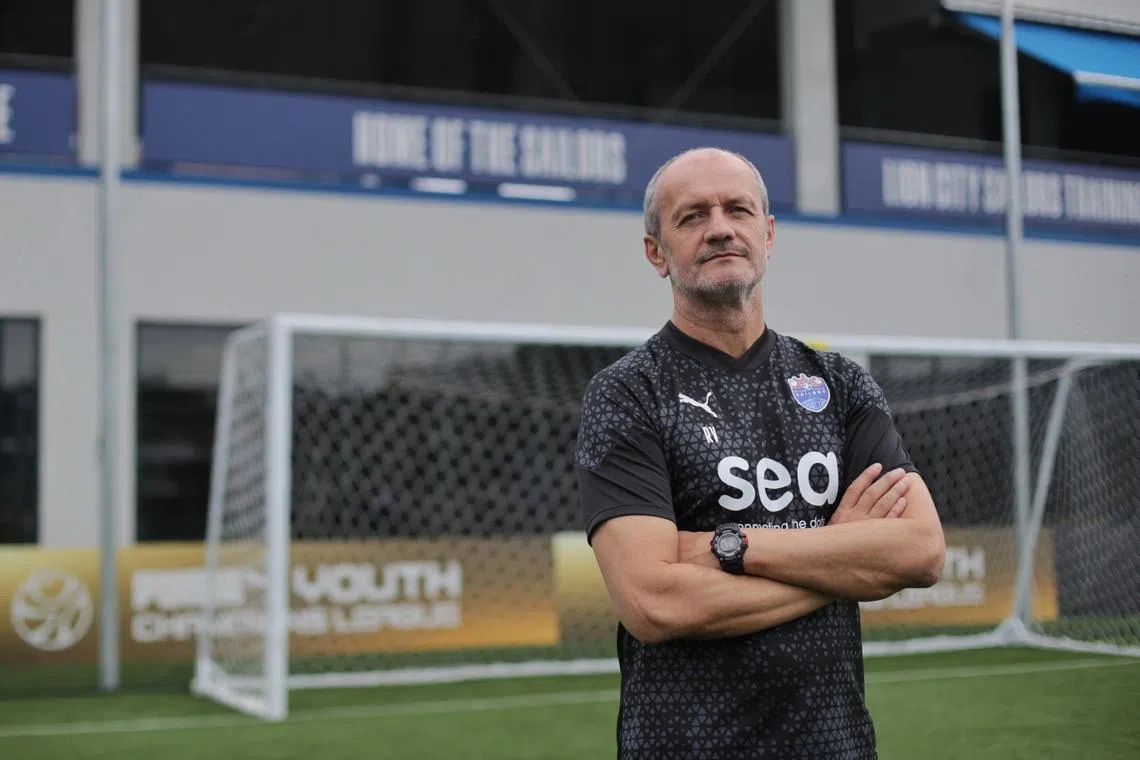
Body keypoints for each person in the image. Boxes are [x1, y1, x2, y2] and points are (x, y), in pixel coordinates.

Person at [574, 147, 946, 759]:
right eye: (692, 216)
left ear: (767, 234)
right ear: (655, 253)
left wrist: (734, 547)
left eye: (737, 210)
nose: (719, 226)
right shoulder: (627, 393)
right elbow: (653, 602)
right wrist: (840, 558)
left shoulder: (839, 383)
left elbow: (921, 551)